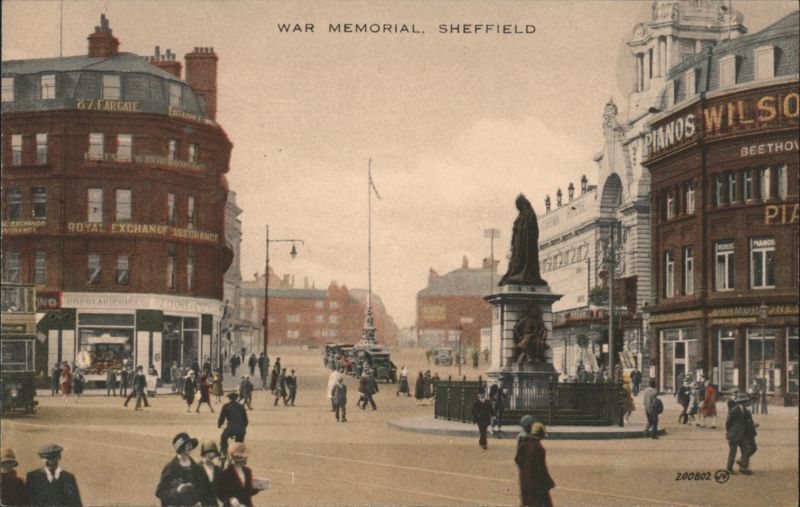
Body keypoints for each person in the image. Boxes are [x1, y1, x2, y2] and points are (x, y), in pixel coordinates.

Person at [155, 433, 205, 507]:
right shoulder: (170, 468)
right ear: (181, 447)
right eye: (187, 444)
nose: (190, 446)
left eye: (190, 444)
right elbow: (160, 492)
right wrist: (177, 491)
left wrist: (199, 501)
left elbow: (202, 488)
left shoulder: (196, 467)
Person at [516, 422, 555, 507]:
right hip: (536, 484)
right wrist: (548, 481)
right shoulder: (539, 448)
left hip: (524, 480)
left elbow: (517, 460)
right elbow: (541, 468)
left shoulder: (524, 444)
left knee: (526, 503)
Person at [219, 392, 249, 462]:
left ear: (229, 399)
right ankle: (239, 455)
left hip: (230, 429)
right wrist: (244, 427)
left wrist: (219, 424)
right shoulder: (241, 406)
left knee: (223, 437)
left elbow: (221, 418)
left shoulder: (226, 406)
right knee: (239, 442)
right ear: (236, 398)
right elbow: (246, 420)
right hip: (241, 429)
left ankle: (223, 453)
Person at [197, 441, 222, 507]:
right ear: (204, 454)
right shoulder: (197, 468)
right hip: (199, 502)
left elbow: (221, 488)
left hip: (213, 503)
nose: (212, 455)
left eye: (214, 453)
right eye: (209, 452)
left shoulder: (217, 470)